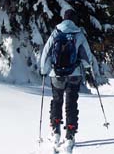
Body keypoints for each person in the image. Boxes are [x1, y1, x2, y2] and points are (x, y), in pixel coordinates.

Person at [40, 8, 96, 145]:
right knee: (71, 103)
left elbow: (46, 52)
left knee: (57, 100)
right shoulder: (79, 34)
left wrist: (44, 70)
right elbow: (86, 56)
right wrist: (89, 70)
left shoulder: (56, 33)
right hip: (74, 74)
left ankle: (56, 129)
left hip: (56, 74)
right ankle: (70, 133)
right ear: (74, 20)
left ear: (64, 19)